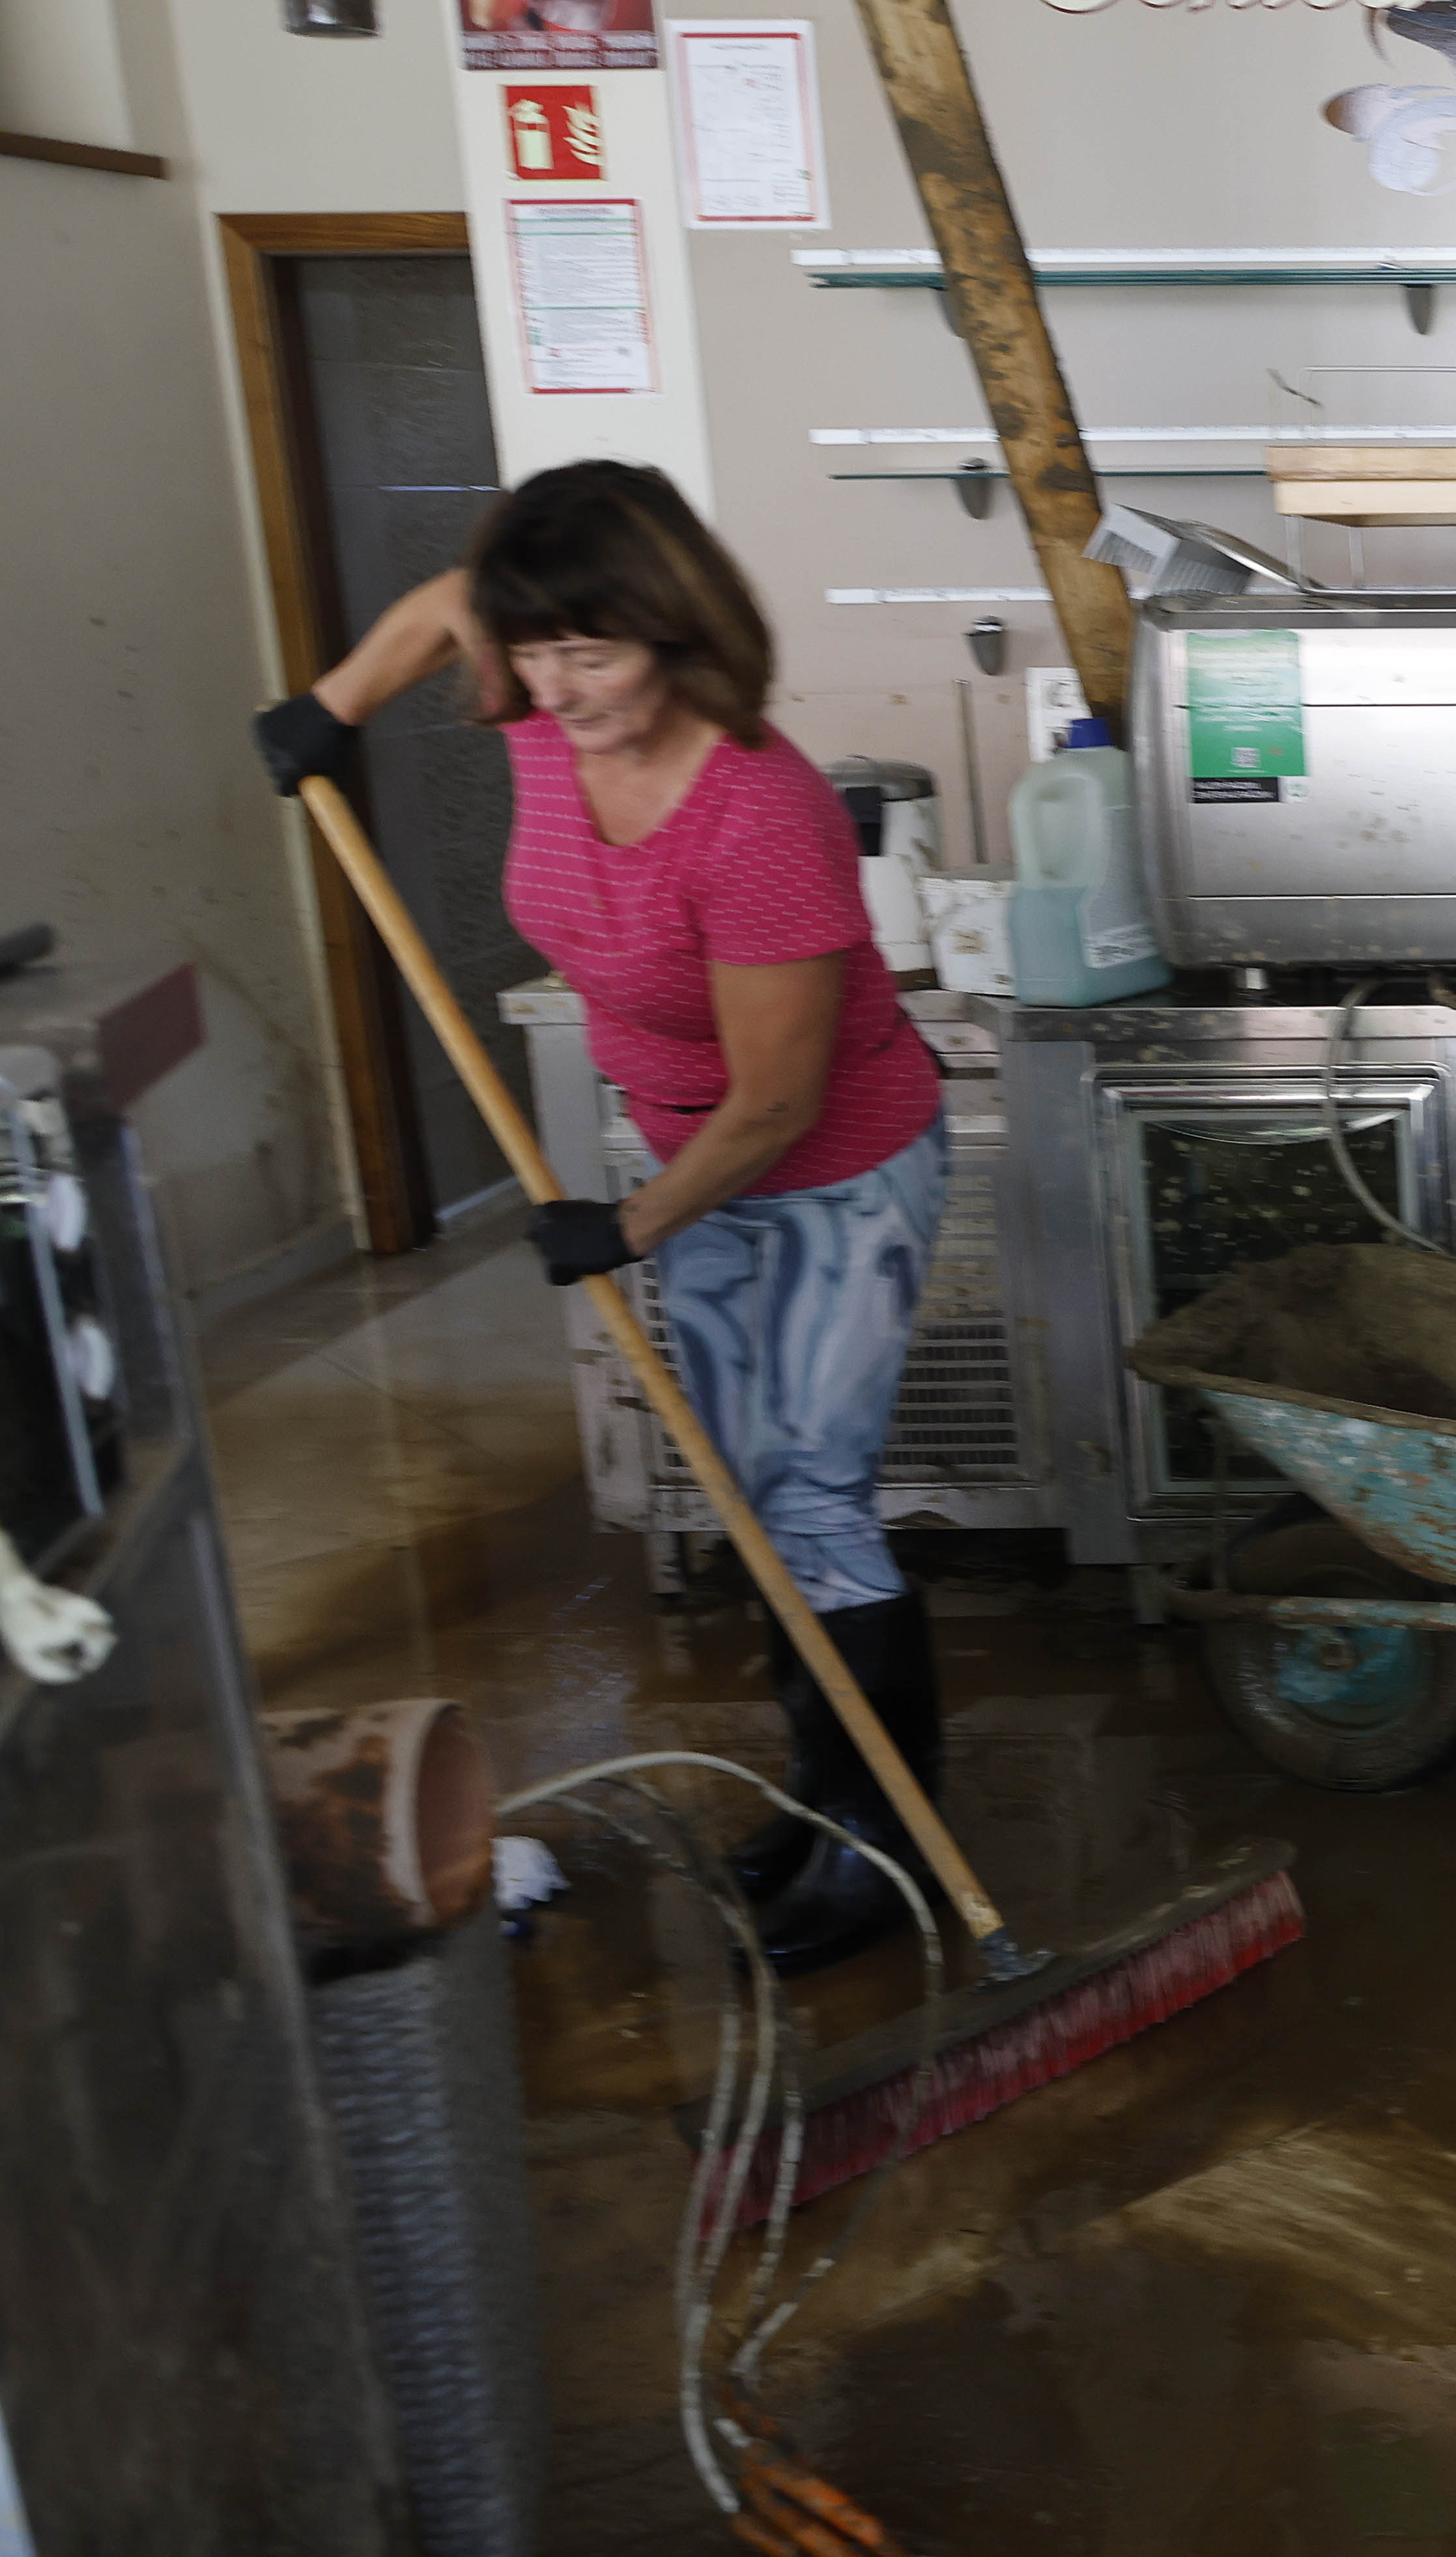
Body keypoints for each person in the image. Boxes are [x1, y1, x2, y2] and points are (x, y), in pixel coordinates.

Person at [254, 459, 947, 1974]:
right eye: (542, 654)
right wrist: (335, 706)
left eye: (595, 654)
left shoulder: (758, 812)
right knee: (746, 1490)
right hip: (684, 1154)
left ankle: (888, 1842)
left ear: (677, 631)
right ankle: (829, 1800)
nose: (556, 689)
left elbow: (776, 1101)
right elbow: (453, 609)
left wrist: (623, 1228)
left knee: (813, 1496)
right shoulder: (545, 706)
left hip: (832, 1172)